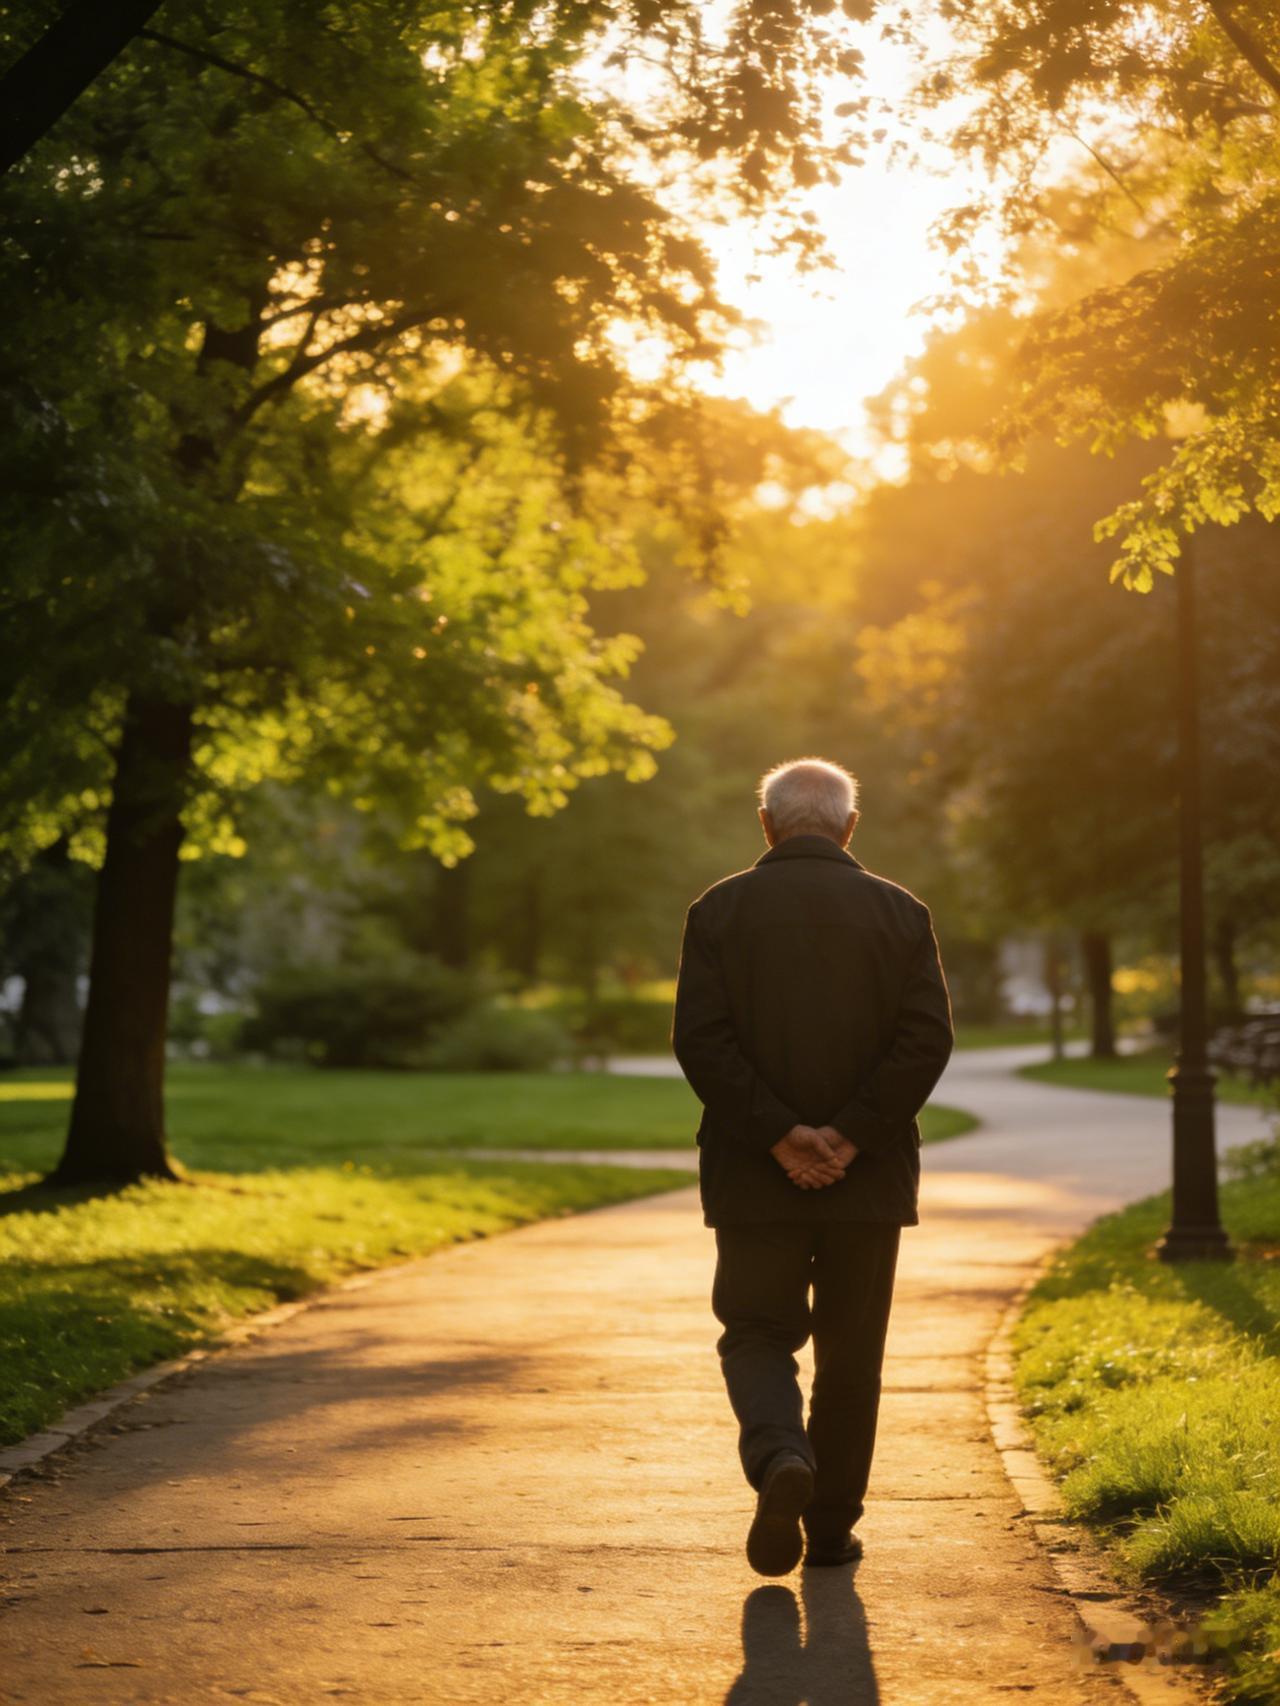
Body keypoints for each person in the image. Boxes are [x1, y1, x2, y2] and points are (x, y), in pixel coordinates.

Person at [672, 756, 954, 1576]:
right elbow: (926, 1040)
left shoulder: (718, 910)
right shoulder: (902, 914)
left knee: (756, 1331)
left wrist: (780, 1137)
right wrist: (851, 1138)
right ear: (849, 827)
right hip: (866, 1184)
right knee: (851, 1355)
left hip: (753, 1176)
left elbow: (701, 1040)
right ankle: (830, 1532)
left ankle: (779, 1459)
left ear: (766, 825)